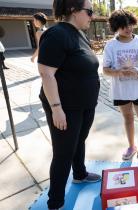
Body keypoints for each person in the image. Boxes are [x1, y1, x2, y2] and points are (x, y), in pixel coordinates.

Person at [37, 0, 101, 209]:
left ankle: (80, 174)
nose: (92, 16)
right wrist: (56, 108)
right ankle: (55, 202)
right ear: (73, 10)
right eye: (89, 11)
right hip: (65, 108)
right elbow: (46, 73)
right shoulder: (57, 35)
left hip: (83, 105)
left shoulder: (78, 34)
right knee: (63, 153)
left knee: (79, 140)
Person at [103, 10, 138, 162]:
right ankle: (131, 146)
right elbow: (105, 70)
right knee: (128, 119)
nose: (128, 28)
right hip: (121, 91)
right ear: (116, 27)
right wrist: (119, 72)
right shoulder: (111, 46)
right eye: (123, 26)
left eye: (130, 25)